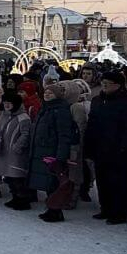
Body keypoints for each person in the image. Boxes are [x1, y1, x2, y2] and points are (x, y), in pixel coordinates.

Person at [84, 71, 127, 224]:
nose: (104, 84)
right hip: (99, 146)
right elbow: (91, 124)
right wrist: (89, 146)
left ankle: (118, 212)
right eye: (103, 81)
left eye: (108, 82)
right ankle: (105, 208)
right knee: (102, 180)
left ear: (117, 85)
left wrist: (124, 147)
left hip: (117, 148)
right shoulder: (97, 100)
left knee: (118, 182)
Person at [29, 81, 77, 223]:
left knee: (54, 182)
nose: (47, 94)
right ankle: (51, 209)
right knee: (48, 182)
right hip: (44, 150)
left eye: (51, 92)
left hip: (53, 152)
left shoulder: (61, 110)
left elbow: (64, 135)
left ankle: (56, 211)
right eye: (46, 92)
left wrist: (61, 156)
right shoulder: (45, 108)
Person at [0, 93, 33, 209]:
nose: (7, 105)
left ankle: (23, 199)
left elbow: (26, 134)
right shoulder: (4, 115)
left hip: (16, 153)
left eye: (9, 103)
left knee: (17, 177)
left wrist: (18, 146)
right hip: (5, 151)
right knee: (9, 176)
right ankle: (15, 197)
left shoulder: (23, 117)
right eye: (5, 102)